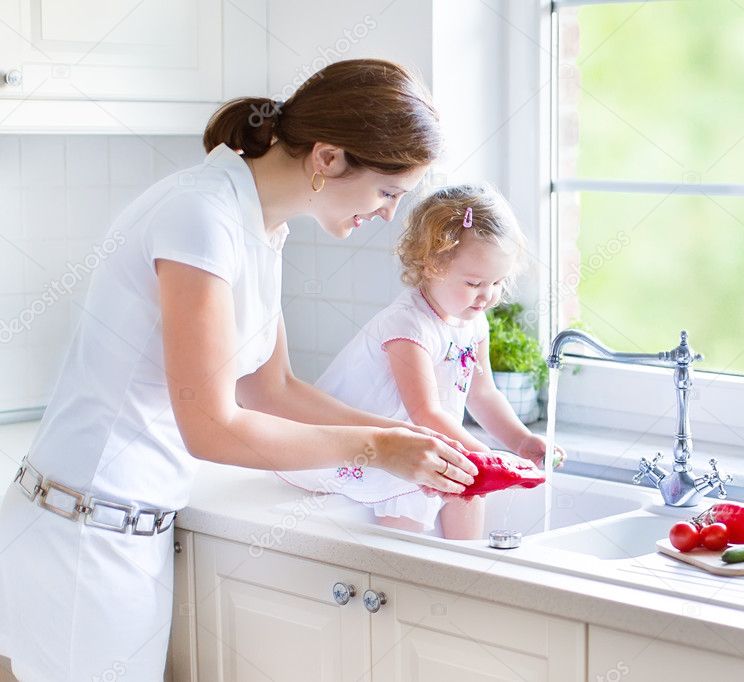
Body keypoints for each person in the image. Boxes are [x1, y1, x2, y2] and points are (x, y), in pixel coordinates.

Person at [0, 59, 479, 682]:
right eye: (389, 192)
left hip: (125, 533)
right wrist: (376, 445)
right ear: (328, 158)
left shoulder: (259, 225)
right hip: (83, 541)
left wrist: (411, 440)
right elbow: (211, 427)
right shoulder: (199, 216)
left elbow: (270, 388)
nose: (389, 214)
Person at [276, 184, 564, 539]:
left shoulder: (474, 320)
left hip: (425, 441)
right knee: (418, 496)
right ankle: (411, 575)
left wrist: (519, 442)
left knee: (469, 484)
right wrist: (489, 457)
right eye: (474, 282)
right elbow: (424, 413)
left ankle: (465, 570)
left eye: (497, 282)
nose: (487, 295)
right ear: (431, 265)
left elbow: (483, 394)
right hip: (368, 448)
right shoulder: (408, 325)